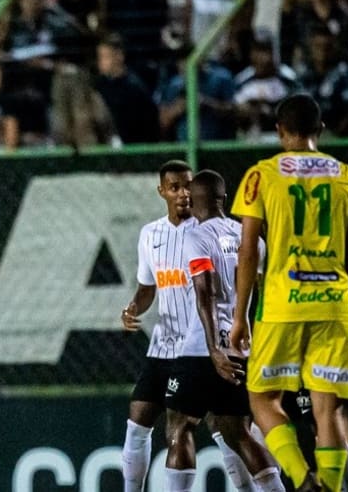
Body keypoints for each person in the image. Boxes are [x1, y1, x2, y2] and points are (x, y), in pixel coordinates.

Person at [230, 94, 348, 492]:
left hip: (281, 305)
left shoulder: (262, 175)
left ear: (279, 132)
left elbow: (247, 253)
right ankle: (328, 486)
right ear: (320, 131)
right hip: (333, 306)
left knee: (261, 400)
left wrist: (240, 315)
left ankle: (300, 478)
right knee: (327, 411)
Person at [165, 168, 285, 492]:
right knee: (236, 430)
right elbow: (265, 293)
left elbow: (204, 291)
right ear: (223, 199)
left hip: (203, 348)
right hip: (242, 345)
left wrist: (213, 349)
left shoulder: (196, 236)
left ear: (193, 200)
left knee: (179, 426)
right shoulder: (252, 239)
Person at [120, 159, 197, 491]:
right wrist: (133, 307)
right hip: (161, 345)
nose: (183, 194)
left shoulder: (206, 230)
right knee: (137, 423)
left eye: (188, 186)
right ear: (162, 191)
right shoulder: (150, 234)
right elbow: (147, 287)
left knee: (182, 429)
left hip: (196, 348)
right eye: (175, 187)